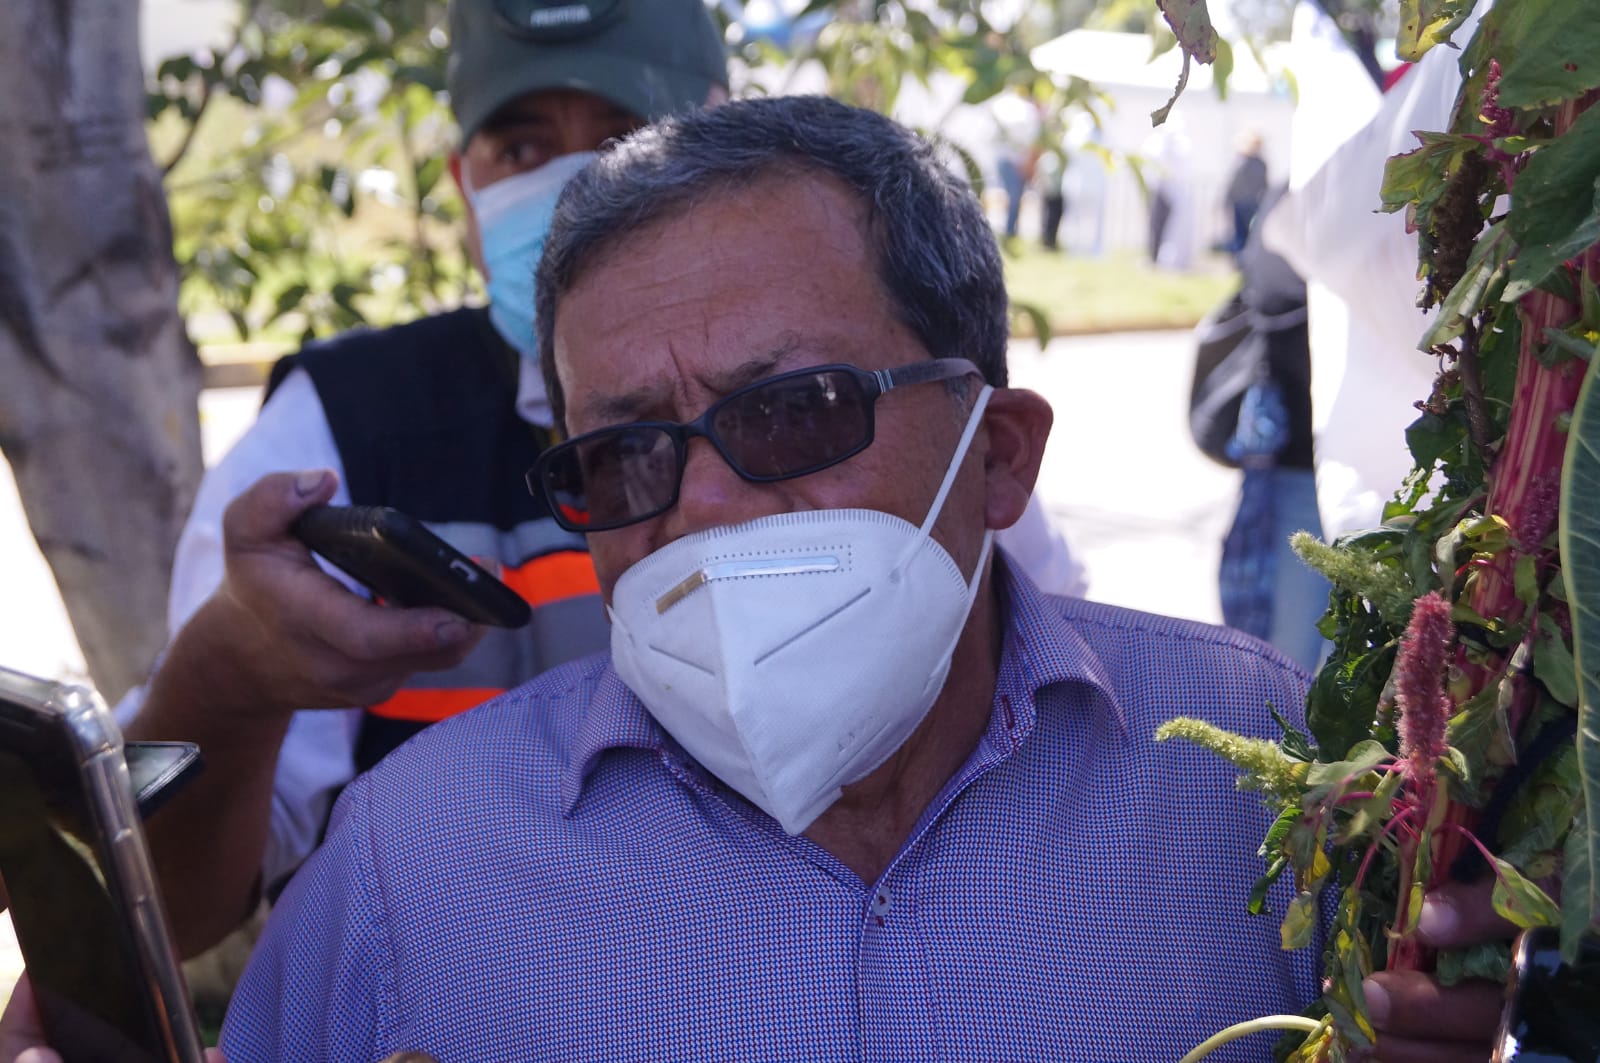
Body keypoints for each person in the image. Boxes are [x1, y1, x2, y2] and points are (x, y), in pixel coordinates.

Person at [208, 96, 1504, 1061]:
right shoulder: (404, 875)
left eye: (791, 411)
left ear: (999, 456)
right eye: (625, 454)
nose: (703, 503)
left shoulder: (1270, 787)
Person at [111, 0, 731, 959]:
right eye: (522, 151)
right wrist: (226, 676)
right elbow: (177, 909)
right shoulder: (339, 428)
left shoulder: (862, 397)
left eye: (632, 139)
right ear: (467, 190)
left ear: (740, 149)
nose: (578, 185)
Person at [1222, 132, 1269, 255]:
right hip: (1249, 202)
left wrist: (1226, 199)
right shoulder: (1260, 163)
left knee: (1241, 234)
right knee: (1245, 234)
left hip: (1244, 202)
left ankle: (1241, 258)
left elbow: (1233, 183)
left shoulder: (1244, 161)